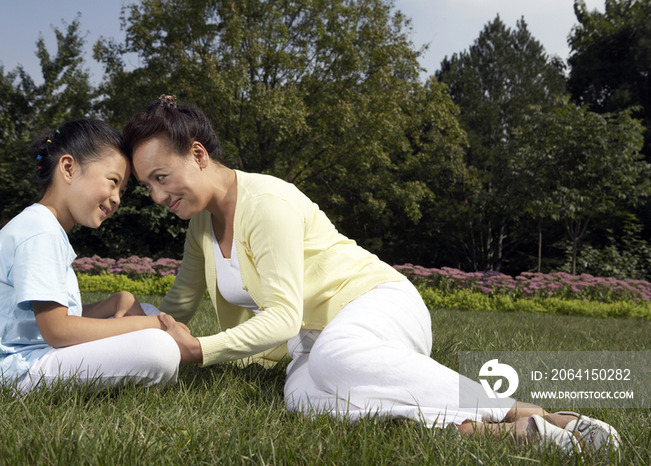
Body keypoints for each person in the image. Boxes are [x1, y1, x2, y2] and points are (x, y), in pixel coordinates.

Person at [123, 95, 620, 454]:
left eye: (161, 178)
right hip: (313, 343)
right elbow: (179, 307)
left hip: (377, 305)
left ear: (198, 154)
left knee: (336, 357)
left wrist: (202, 350)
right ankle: (503, 434)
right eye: (148, 186)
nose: (158, 197)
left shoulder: (266, 202)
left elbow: (279, 317)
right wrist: (125, 329)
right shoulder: (200, 228)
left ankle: (522, 409)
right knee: (304, 397)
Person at [0, 119, 181, 394]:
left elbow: (54, 317)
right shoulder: (40, 232)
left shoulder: (42, 226)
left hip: (23, 358)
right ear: (68, 168)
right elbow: (58, 330)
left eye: (121, 191)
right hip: (5, 373)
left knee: (146, 311)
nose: (117, 199)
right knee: (160, 348)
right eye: (112, 182)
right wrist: (154, 326)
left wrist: (115, 302)